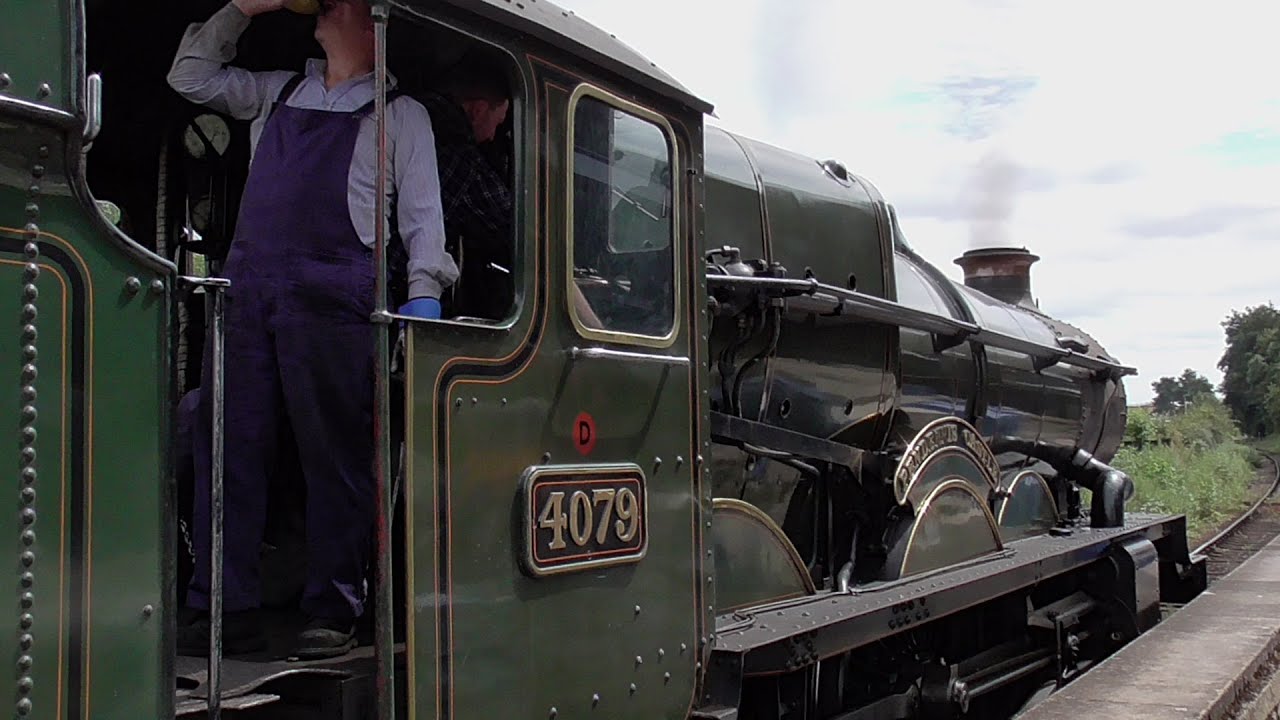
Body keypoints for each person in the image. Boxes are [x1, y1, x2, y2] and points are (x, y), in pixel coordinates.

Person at [167, 0, 455, 659]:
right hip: (250, 289)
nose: (332, 6)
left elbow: (422, 218)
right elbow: (189, 77)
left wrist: (422, 296)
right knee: (227, 444)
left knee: (336, 456)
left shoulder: (401, 118)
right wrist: (242, 7)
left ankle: (332, 607)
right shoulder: (278, 90)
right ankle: (220, 604)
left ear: (372, 28)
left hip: (336, 296)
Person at [418, 56, 514, 321]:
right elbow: (513, 227)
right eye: (497, 122)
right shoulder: (457, 150)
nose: (494, 136)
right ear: (477, 111)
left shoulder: (401, 112)